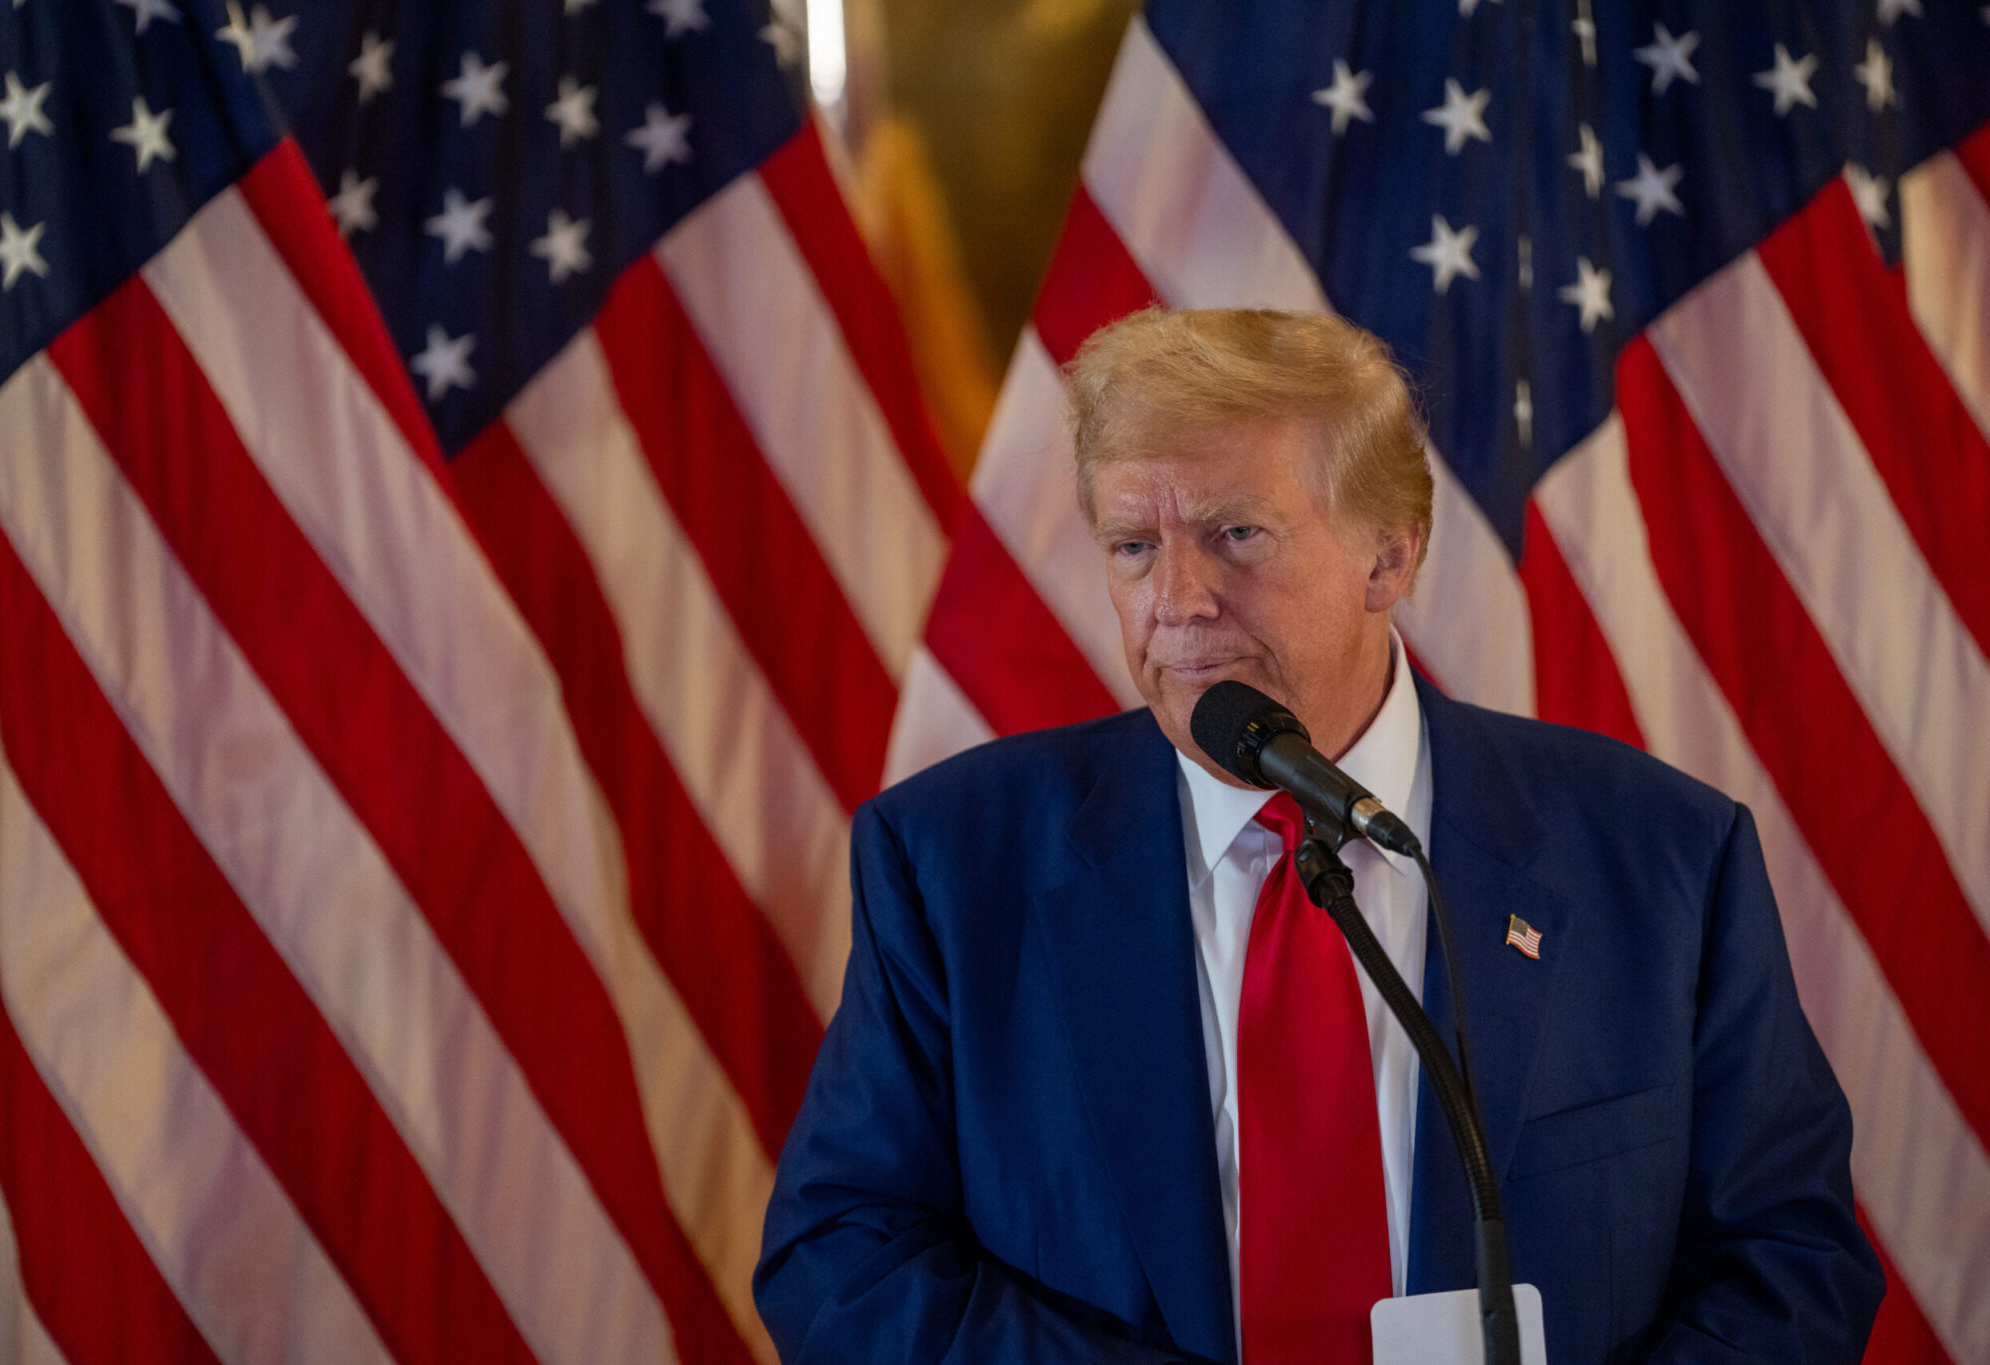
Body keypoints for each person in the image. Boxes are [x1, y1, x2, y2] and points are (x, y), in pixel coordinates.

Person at [755, 308, 1882, 1363]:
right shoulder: (953, 863)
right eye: (1132, 548)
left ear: (1388, 555)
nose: (1177, 601)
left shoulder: (1661, 856)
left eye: (1234, 534)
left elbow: (1785, 1257)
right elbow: (840, 1255)